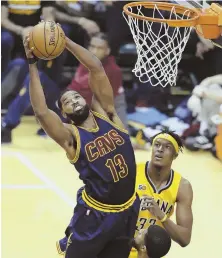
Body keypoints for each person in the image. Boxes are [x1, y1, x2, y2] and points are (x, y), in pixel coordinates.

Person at [23, 31, 140, 258]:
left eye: (76, 97)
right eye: (67, 102)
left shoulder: (108, 114)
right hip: (95, 216)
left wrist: (65, 42)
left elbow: (95, 68)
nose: (73, 100)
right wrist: (32, 64)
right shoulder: (71, 137)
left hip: (127, 210)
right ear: (64, 114)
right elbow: (41, 111)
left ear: (85, 100)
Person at [129, 130, 193, 258]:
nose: (160, 149)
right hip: (122, 248)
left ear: (175, 155)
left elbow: (184, 238)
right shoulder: (132, 173)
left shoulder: (182, 187)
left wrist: (161, 215)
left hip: (149, 252)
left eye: (167, 147)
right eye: (157, 145)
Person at [68, 32, 128, 129]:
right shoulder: (85, 61)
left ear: (107, 51)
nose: (94, 51)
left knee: (123, 137)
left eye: (99, 48)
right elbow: (74, 87)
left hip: (112, 104)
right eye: (92, 46)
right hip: (84, 102)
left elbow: (107, 104)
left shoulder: (113, 70)